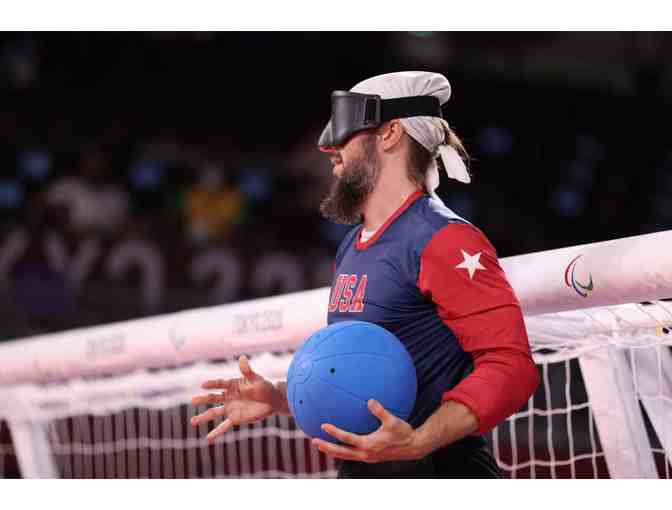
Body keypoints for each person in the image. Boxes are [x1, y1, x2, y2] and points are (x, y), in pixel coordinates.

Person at [190, 71, 539, 478]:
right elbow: (361, 375)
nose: (329, 149)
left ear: (390, 133)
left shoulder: (445, 240)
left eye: (346, 130)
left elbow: (511, 365)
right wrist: (279, 397)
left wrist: (419, 440)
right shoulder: (352, 245)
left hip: (439, 471)